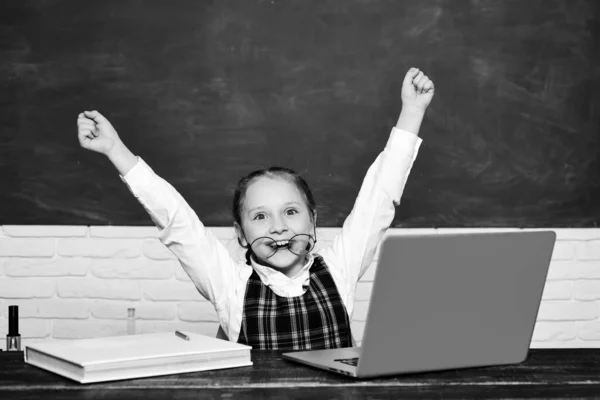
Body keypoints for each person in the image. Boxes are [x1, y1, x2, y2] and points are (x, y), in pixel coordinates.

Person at [77, 67, 434, 350]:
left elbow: (380, 195)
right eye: (260, 216)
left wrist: (412, 111)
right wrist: (116, 151)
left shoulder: (340, 270)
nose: (278, 227)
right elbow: (177, 220)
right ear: (240, 234)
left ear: (314, 220)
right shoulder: (229, 286)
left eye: (291, 212)